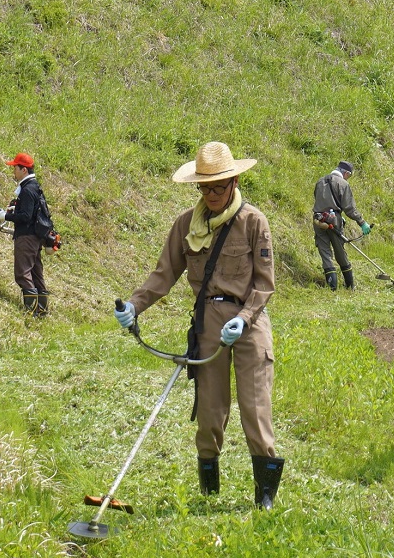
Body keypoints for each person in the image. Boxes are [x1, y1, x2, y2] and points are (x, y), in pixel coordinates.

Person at [114, 142, 284, 508]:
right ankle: (209, 487)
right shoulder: (184, 226)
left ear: (235, 181)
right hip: (208, 324)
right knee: (210, 411)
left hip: (249, 324)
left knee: (255, 409)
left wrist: (243, 319)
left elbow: (265, 284)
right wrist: (134, 306)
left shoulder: (254, 222)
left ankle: (264, 496)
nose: (211, 195)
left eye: (218, 187)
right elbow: (163, 276)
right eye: (204, 188)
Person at [0, 152, 50, 317]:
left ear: (24, 170)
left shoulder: (27, 190)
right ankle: (41, 311)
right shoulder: (35, 187)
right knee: (35, 272)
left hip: (26, 237)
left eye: (15, 168)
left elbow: (26, 217)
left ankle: (30, 312)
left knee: (22, 272)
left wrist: (5, 216)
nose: (14, 171)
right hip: (35, 237)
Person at [312, 160, 372, 290]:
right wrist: (362, 222)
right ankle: (350, 286)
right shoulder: (343, 184)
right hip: (334, 220)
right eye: (348, 176)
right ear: (345, 173)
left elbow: (316, 198)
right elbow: (349, 208)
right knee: (340, 252)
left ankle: (332, 287)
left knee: (325, 253)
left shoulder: (320, 181)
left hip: (318, 219)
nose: (347, 178)